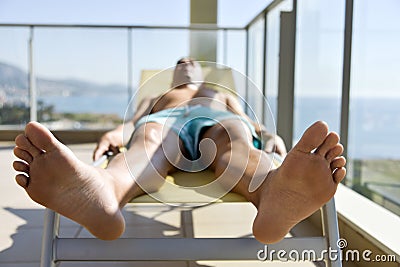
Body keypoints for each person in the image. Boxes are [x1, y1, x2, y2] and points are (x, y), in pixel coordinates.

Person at [12, 58, 346, 244]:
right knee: (150, 142)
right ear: (173, 75)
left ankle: (273, 192)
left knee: (235, 140)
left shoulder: (220, 93)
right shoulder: (158, 96)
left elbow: (248, 123)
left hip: (220, 120)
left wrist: (269, 135)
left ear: (201, 73)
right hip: (164, 121)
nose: (185, 63)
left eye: (191, 62)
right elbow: (134, 124)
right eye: (179, 63)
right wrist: (115, 133)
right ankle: (106, 191)